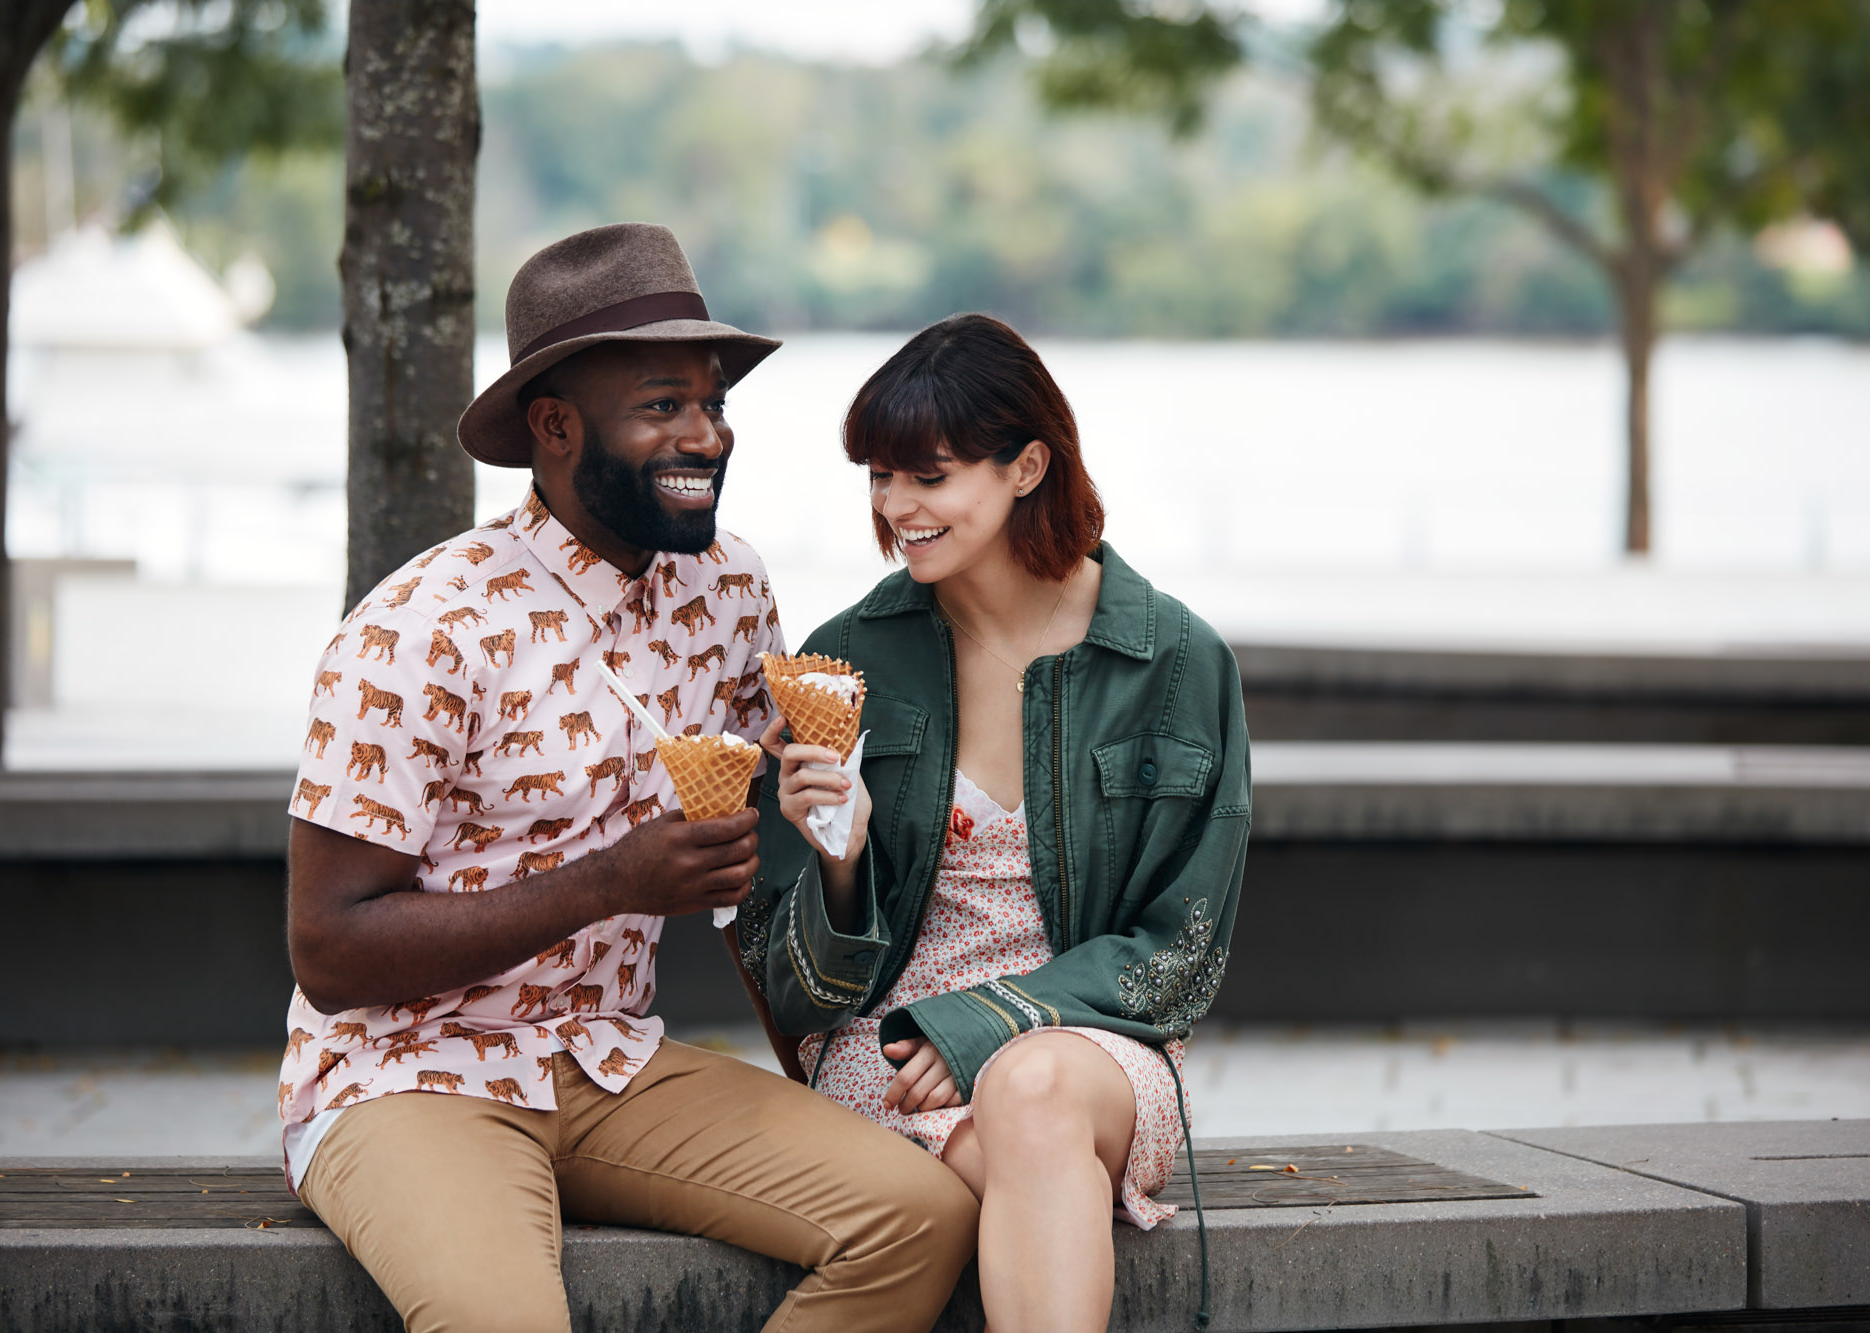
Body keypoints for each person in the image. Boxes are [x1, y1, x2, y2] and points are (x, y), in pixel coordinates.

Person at [279, 223, 977, 1333]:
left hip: (614, 1061)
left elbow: (774, 847)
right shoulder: (422, 627)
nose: (705, 434)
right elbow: (326, 951)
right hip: (408, 1075)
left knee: (919, 1215)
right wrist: (604, 883)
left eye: (714, 404)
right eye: (662, 406)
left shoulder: (726, 587)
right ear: (553, 427)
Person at [742, 313, 1252, 1332]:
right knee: (1034, 1158)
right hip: (885, 1053)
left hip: (1094, 1046)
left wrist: (989, 1022)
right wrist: (837, 869)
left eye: (927, 476)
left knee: (1032, 1089)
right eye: (878, 477)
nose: (895, 507)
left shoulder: (1174, 662)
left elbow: (1181, 952)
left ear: (1026, 465)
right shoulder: (845, 660)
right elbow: (788, 989)